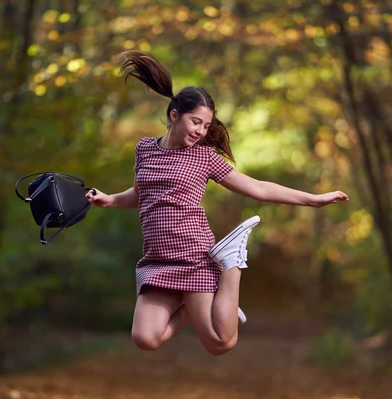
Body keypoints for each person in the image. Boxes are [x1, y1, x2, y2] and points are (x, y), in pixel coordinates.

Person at [86, 51, 348, 355]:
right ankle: (210, 303)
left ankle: (231, 262)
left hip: (192, 255)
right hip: (157, 259)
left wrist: (313, 200)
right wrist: (108, 200)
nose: (200, 131)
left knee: (221, 342)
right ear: (174, 115)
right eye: (195, 122)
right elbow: (141, 194)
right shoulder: (145, 149)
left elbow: (258, 188)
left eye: (206, 126)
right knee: (146, 338)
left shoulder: (204, 157)